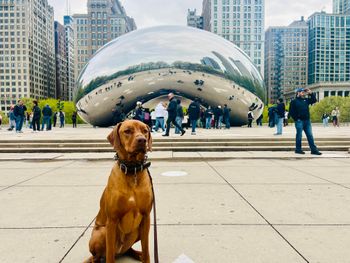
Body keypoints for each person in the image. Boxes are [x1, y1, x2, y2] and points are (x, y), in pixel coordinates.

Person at [289, 88, 322, 155]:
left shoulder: (306, 100)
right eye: (301, 92)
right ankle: (298, 149)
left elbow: (314, 100)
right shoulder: (294, 101)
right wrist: (296, 119)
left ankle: (314, 150)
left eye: (304, 92)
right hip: (299, 121)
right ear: (298, 93)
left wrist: (311, 93)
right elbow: (291, 112)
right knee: (299, 135)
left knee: (310, 135)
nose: (303, 93)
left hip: (307, 121)